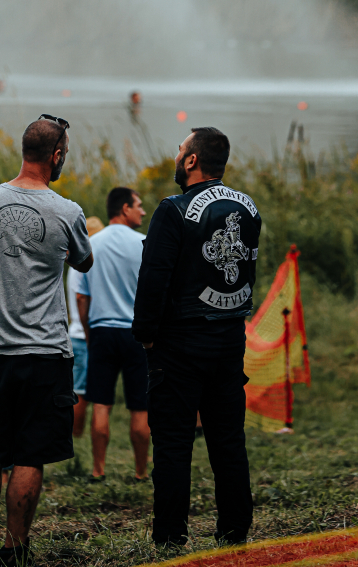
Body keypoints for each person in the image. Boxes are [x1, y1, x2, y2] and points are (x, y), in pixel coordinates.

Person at [0, 115, 94, 567]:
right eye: (65, 153)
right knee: (30, 456)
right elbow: (85, 263)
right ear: (57, 155)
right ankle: (14, 552)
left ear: (24, 150)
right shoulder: (68, 211)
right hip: (45, 354)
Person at [132, 127, 261, 549]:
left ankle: (171, 538)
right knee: (228, 440)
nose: (177, 156)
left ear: (191, 160)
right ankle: (235, 530)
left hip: (179, 344)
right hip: (230, 340)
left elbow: (154, 278)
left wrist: (145, 335)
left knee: (173, 444)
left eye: (180, 150)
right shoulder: (248, 208)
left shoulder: (172, 210)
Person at [75, 187, 149, 482]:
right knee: (140, 407)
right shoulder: (145, 243)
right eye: (139, 205)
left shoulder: (92, 244)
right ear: (124, 208)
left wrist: (88, 331)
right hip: (136, 333)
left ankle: (98, 470)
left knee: (101, 403)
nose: (143, 211)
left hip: (102, 332)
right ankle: (141, 472)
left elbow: (81, 297)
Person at [67, 216, 104, 437]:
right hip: (83, 336)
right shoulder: (84, 265)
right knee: (80, 391)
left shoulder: (76, 263)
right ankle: (75, 436)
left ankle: (76, 435)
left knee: (81, 390)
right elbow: (82, 298)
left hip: (78, 333)